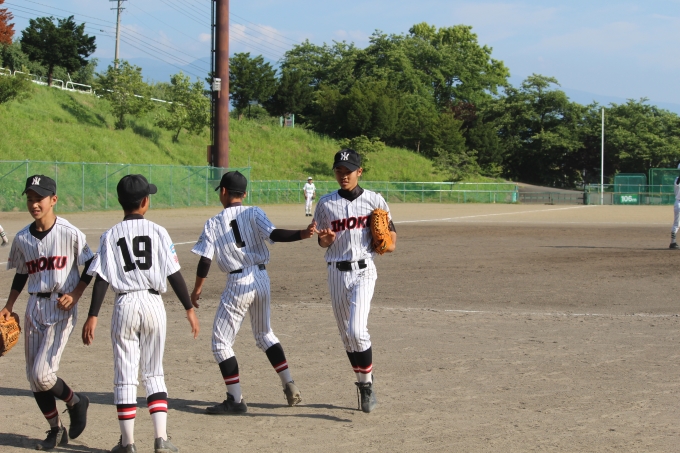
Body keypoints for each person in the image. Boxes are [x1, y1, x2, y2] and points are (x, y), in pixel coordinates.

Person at [81, 174, 199, 453]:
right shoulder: (158, 231)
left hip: (124, 304)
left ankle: (127, 443)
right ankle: (161, 439)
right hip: (153, 303)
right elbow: (174, 274)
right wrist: (189, 308)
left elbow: (102, 278)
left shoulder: (110, 234)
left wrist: (93, 315)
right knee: (154, 372)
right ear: (145, 201)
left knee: (125, 376)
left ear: (120, 201)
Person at [190, 171, 315, 414]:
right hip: (261, 278)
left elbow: (205, 260)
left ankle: (235, 400)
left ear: (223, 192)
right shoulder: (254, 212)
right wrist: (302, 233)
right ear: (245, 194)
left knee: (221, 343)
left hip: (238, 282)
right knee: (265, 334)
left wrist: (197, 289)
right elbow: (274, 234)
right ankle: (288, 382)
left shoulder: (214, 222)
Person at [2, 175, 94, 450]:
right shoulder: (22, 238)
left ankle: (76, 401)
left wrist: (76, 294)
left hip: (61, 306)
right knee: (34, 378)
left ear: (53, 200)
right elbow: (21, 273)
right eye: (30, 199)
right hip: (34, 307)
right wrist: (9, 305)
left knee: (43, 375)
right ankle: (56, 430)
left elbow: (91, 264)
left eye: (39, 198)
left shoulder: (69, 232)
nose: (34, 204)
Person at [313, 149, 397, 413]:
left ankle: (368, 384)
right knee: (347, 337)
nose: (343, 175)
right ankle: (362, 384)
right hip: (336, 272)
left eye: (348, 171)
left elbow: (392, 239)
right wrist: (326, 239)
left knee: (357, 331)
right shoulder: (325, 203)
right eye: (339, 170)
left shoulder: (375, 200)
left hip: (364, 269)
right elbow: (322, 241)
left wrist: (386, 243)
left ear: (359, 172)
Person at [671, 162, 680, 249]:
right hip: (679, 203)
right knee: (677, 224)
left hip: (678, 203)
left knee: (676, 223)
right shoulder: (677, 179)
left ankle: (673, 242)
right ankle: (673, 243)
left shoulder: (677, 179)